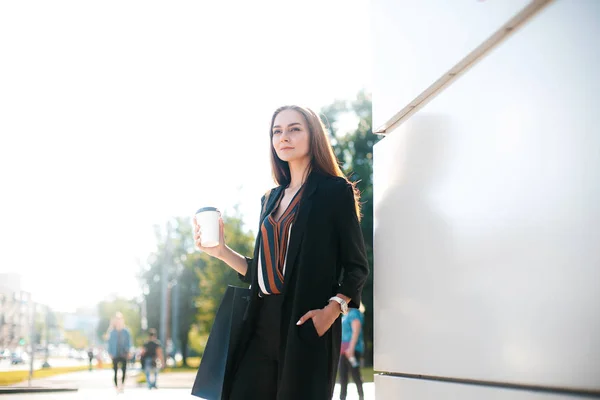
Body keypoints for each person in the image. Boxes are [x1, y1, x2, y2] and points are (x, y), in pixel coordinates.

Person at [193, 105, 369, 400]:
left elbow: (357, 267)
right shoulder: (270, 198)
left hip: (305, 324)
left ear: (313, 136)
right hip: (260, 323)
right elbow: (261, 271)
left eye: (294, 129)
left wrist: (333, 310)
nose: (283, 137)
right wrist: (222, 251)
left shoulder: (335, 191)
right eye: (277, 131)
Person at [338, 303, 366, 400]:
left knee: (355, 374)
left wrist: (351, 348)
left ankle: (361, 397)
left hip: (352, 349)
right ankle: (342, 397)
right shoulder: (345, 314)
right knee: (343, 376)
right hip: (343, 349)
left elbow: (356, 330)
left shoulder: (354, 313)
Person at [106, 312, 131, 393]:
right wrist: (110, 353)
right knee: (115, 371)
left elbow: (129, 342)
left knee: (124, 370)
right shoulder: (112, 332)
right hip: (115, 354)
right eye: (117, 320)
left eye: (120, 319)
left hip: (124, 353)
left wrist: (129, 351)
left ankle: (122, 385)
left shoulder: (126, 331)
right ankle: (116, 386)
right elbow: (109, 343)